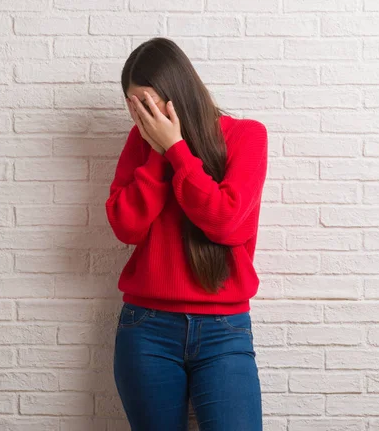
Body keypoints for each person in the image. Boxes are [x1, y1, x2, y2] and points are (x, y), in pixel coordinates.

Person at [105, 37, 268, 431]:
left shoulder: (247, 136)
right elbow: (125, 226)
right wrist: (158, 155)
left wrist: (177, 149)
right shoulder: (140, 144)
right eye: (131, 103)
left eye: (145, 101)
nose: (138, 114)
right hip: (146, 330)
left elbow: (226, 222)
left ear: (175, 93)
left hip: (224, 331)